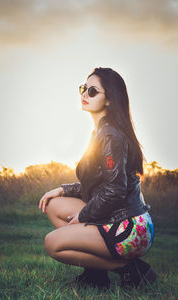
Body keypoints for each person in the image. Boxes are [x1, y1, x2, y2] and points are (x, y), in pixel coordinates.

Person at [38, 67, 157, 290]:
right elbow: (99, 185)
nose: (84, 94)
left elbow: (115, 190)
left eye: (93, 91)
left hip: (130, 228)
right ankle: (96, 276)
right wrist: (63, 190)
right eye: (83, 88)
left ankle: (130, 270)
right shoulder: (99, 133)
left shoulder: (112, 135)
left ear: (110, 99)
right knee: (54, 205)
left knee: (52, 243)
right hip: (114, 216)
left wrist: (83, 215)